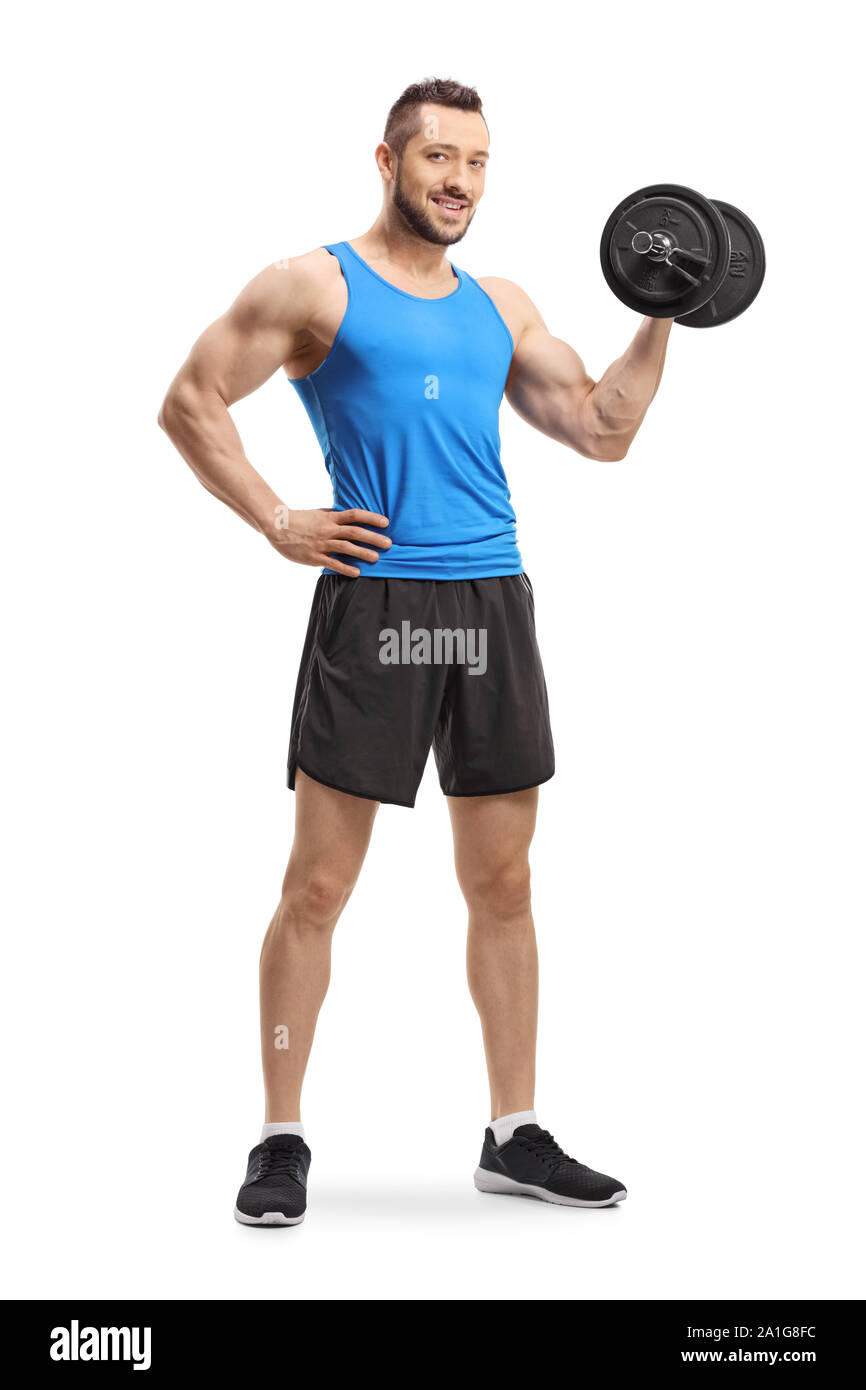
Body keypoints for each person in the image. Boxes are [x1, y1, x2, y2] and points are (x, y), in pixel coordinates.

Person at [158, 77, 673, 1225]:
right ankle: (281, 1136)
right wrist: (278, 517)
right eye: (438, 157)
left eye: (478, 162)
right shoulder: (314, 287)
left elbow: (601, 429)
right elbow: (192, 398)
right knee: (320, 884)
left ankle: (513, 1133)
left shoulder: (499, 304)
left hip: (489, 605)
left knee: (502, 882)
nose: (458, 181)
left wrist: (662, 308)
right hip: (377, 608)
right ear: (386, 162)